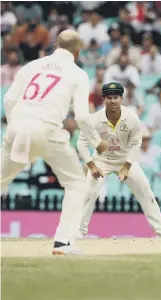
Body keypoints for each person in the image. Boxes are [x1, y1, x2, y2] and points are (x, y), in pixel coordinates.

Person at [1, 30, 107, 255]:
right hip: (47, 129)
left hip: (16, 126)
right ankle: (63, 242)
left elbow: (8, 100)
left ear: (55, 45)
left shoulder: (31, 66)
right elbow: (80, 116)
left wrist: (16, 127)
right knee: (76, 183)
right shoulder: (78, 74)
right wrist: (98, 143)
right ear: (77, 51)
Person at [77, 82, 161, 239]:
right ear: (104, 99)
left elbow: (136, 143)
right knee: (89, 193)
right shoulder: (94, 119)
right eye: (109, 98)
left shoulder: (131, 118)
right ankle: (79, 233)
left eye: (116, 97)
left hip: (125, 160)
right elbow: (81, 144)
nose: (113, 101)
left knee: (146, 193)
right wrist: (92, 166)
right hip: (101, 160)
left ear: (121, 99)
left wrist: (127, 166)